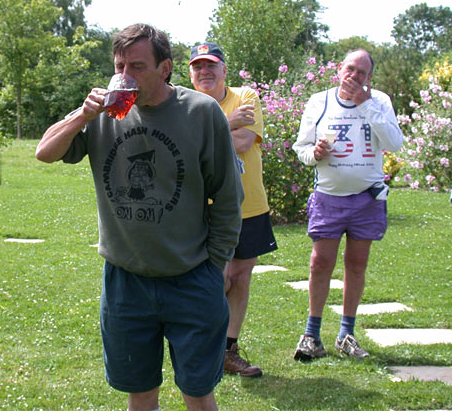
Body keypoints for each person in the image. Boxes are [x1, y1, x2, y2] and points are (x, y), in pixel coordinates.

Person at [36, 24, 243, 411]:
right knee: (141, 393)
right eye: (119, 66)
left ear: (165, 68)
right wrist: (82, 115)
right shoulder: (101, 112)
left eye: (137, 67)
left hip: (191, 278)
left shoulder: (201, 113)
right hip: (126, 283)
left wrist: (214, 266)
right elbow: (44, 152)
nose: (125, 76)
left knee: (198, 393)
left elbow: (228, 197)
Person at [292, 49, 403, 360]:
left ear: (370, 78)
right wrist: (314, 154)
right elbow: (302, 147)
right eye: (350, 69)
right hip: (329, 196)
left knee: (356, 264)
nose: (354, 76)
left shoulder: (379, 101)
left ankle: (346, 334)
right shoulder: (320, 101)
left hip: (367, 197)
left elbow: (394, 143)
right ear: (340, 68)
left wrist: (365, 104)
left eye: (362, 73)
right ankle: (312, 335)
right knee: (320, 263)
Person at [188, 42, 278, 378]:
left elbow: (243, 142)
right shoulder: (186, 103)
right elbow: (188, 145)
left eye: (211, 65)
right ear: (190, 73)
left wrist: (210, 133)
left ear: (224, 70)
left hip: (248, 205)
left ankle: (228, 349)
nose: (205, 72)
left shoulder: (246, 97)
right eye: (198, 66)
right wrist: (227, 123)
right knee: (217, 278)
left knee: (240, 277)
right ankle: (203, 345)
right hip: (205, 208)